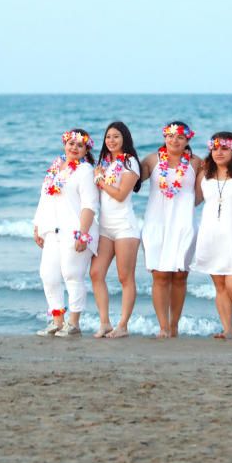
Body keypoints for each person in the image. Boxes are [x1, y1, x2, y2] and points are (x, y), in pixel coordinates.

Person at [33, 129, 100, 338]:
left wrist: (83, 233)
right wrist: (37, 226)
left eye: (80, 145)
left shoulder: (85, 170)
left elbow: (90, 205)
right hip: (52, 230)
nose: (74, 148)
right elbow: (44, 199)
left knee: (72, 275)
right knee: (48, 275)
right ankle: (57, 320)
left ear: (85, 149)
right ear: (65, 144)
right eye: (71, 143)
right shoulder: (55, 167)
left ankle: (73, 323)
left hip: (74, 231)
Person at [139, 121, 202, 338]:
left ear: (187, 140)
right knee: (160, 275)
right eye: (171, 136)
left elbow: (200, 195)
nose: (174, 140)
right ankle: (163, 326)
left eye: (180, 137)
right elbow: (132, 180)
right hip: (156, 223)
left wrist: (183, 208)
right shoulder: (151, 160)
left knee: (180, 276)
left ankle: (174, 326)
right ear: (165, 136)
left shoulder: (196, 163)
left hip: (183, 224)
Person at [192, 132, 232, 339]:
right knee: (220, 286)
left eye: (224, 148)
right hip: (210, 235)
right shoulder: (205, 172)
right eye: (215, 148)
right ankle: (227, 328)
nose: (218, 152)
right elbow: (195, 200)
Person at [90, 122, 142, 339]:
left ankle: (123, 325)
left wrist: (100, 181)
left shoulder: (130, 162)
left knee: (125, 277)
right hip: (105, 227)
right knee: (96, 273)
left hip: (124, 227)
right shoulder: (105, 162)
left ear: (125, 139)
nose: (111, 141)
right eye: (108, 137)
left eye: (116, 137)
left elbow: (120, 194)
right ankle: (105, 322)